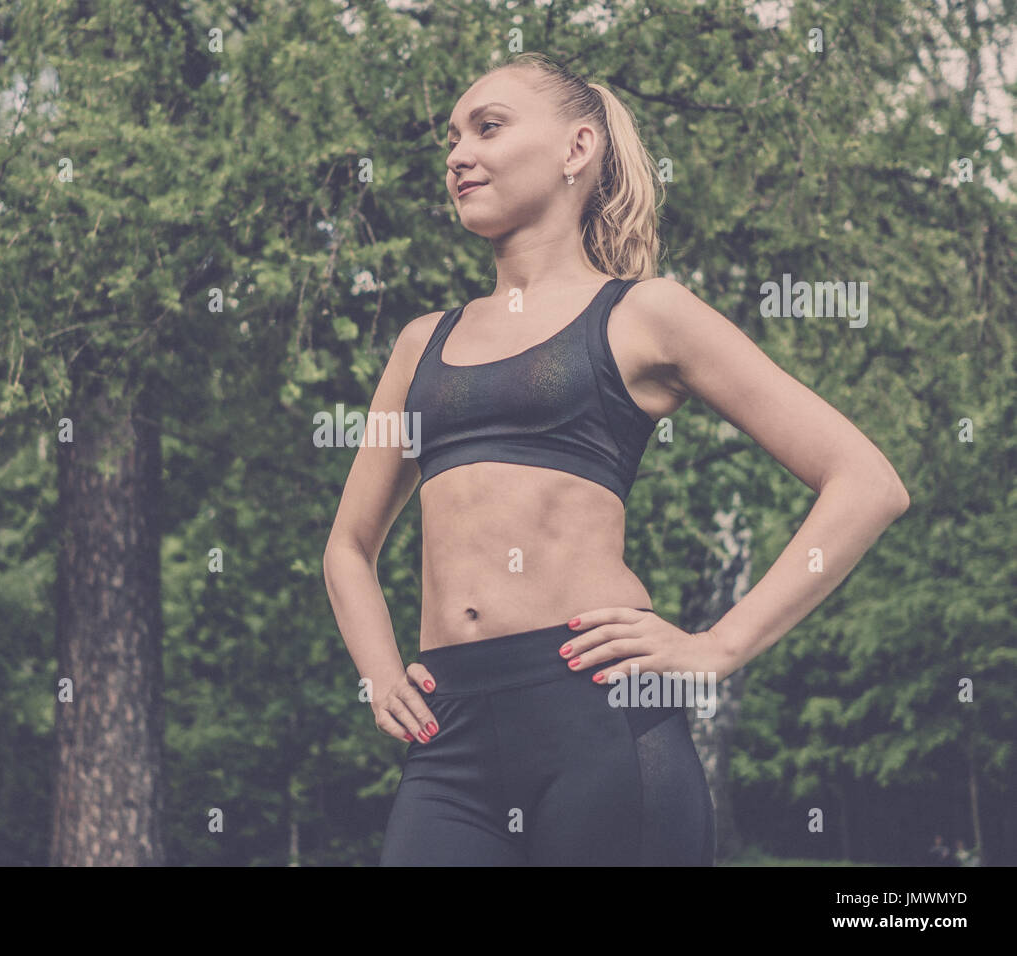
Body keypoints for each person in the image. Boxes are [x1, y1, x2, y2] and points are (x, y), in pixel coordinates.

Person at [321, 52, 911, 866]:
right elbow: (349, 547)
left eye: (488, 127)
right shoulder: (422, 343)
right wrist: (382, 673)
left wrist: (719, 646)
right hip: (447, 738)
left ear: (577, 149)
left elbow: (867, 482)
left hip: (598, 718)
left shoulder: (644, 314)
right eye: (452, 137)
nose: (458, 154)